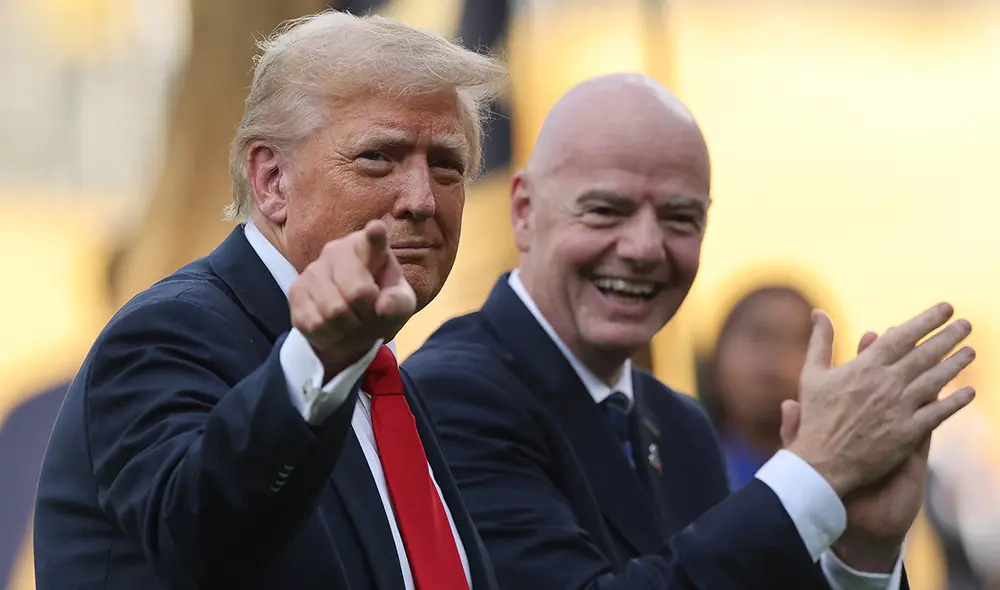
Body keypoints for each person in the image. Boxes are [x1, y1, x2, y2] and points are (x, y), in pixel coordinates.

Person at [403, 73, 976, 589]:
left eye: (680, 218)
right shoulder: (452, 397)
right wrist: (815, 473)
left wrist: (862, 557)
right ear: (525, 211)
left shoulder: (678, 425)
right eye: (606, 210)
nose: (644, 248)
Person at [33, 10, 506, 590]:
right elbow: (202, 540)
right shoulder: (168, 334)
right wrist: (318, 360)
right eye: (378, 157)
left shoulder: (376, 379)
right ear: (271, 180)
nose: (422, 199)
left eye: (446, 166)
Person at [697, 285, 816, 489]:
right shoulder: (674, 465)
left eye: (797, 340)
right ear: (718, 353)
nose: (775, 358)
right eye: (760, 335)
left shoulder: (835, 483)